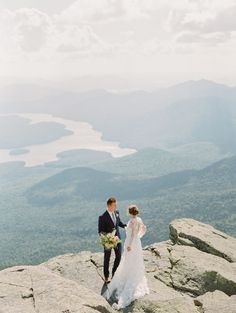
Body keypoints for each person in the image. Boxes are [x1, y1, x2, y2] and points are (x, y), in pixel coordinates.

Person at [102, 204, 150, 309]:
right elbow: (144, 228)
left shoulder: (132, 221)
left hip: (131, 243)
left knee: (128, 260)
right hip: (137, 243)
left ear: (130, 212)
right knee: (135, 260)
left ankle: (128, 275)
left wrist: (129, 245)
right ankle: (134, 274)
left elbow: (132, 234)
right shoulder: (139, 219)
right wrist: (139, 236)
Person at [98, 197, 127, 283]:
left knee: (119, 256)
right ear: (109, 206)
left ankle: (114, 273)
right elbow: (100, 231)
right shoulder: (102, 217)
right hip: (108, 241)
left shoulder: (117, 212)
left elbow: (119, 223)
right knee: (107, 258)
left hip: (117, 239)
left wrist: (127, 226)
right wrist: (109, 238)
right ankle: (106, 276)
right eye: (114, 205)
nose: (116, 206)